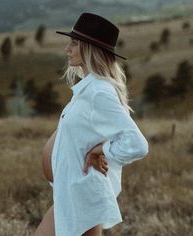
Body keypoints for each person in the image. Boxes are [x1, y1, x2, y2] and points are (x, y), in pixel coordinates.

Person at [34, 12, 149, 236]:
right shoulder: (88, 88)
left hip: (83, 196)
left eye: (75, 43)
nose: (67, 49)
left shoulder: (99, 92)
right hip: (72, 193)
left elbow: (137, 144)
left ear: (90, 49)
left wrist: (100, 150)